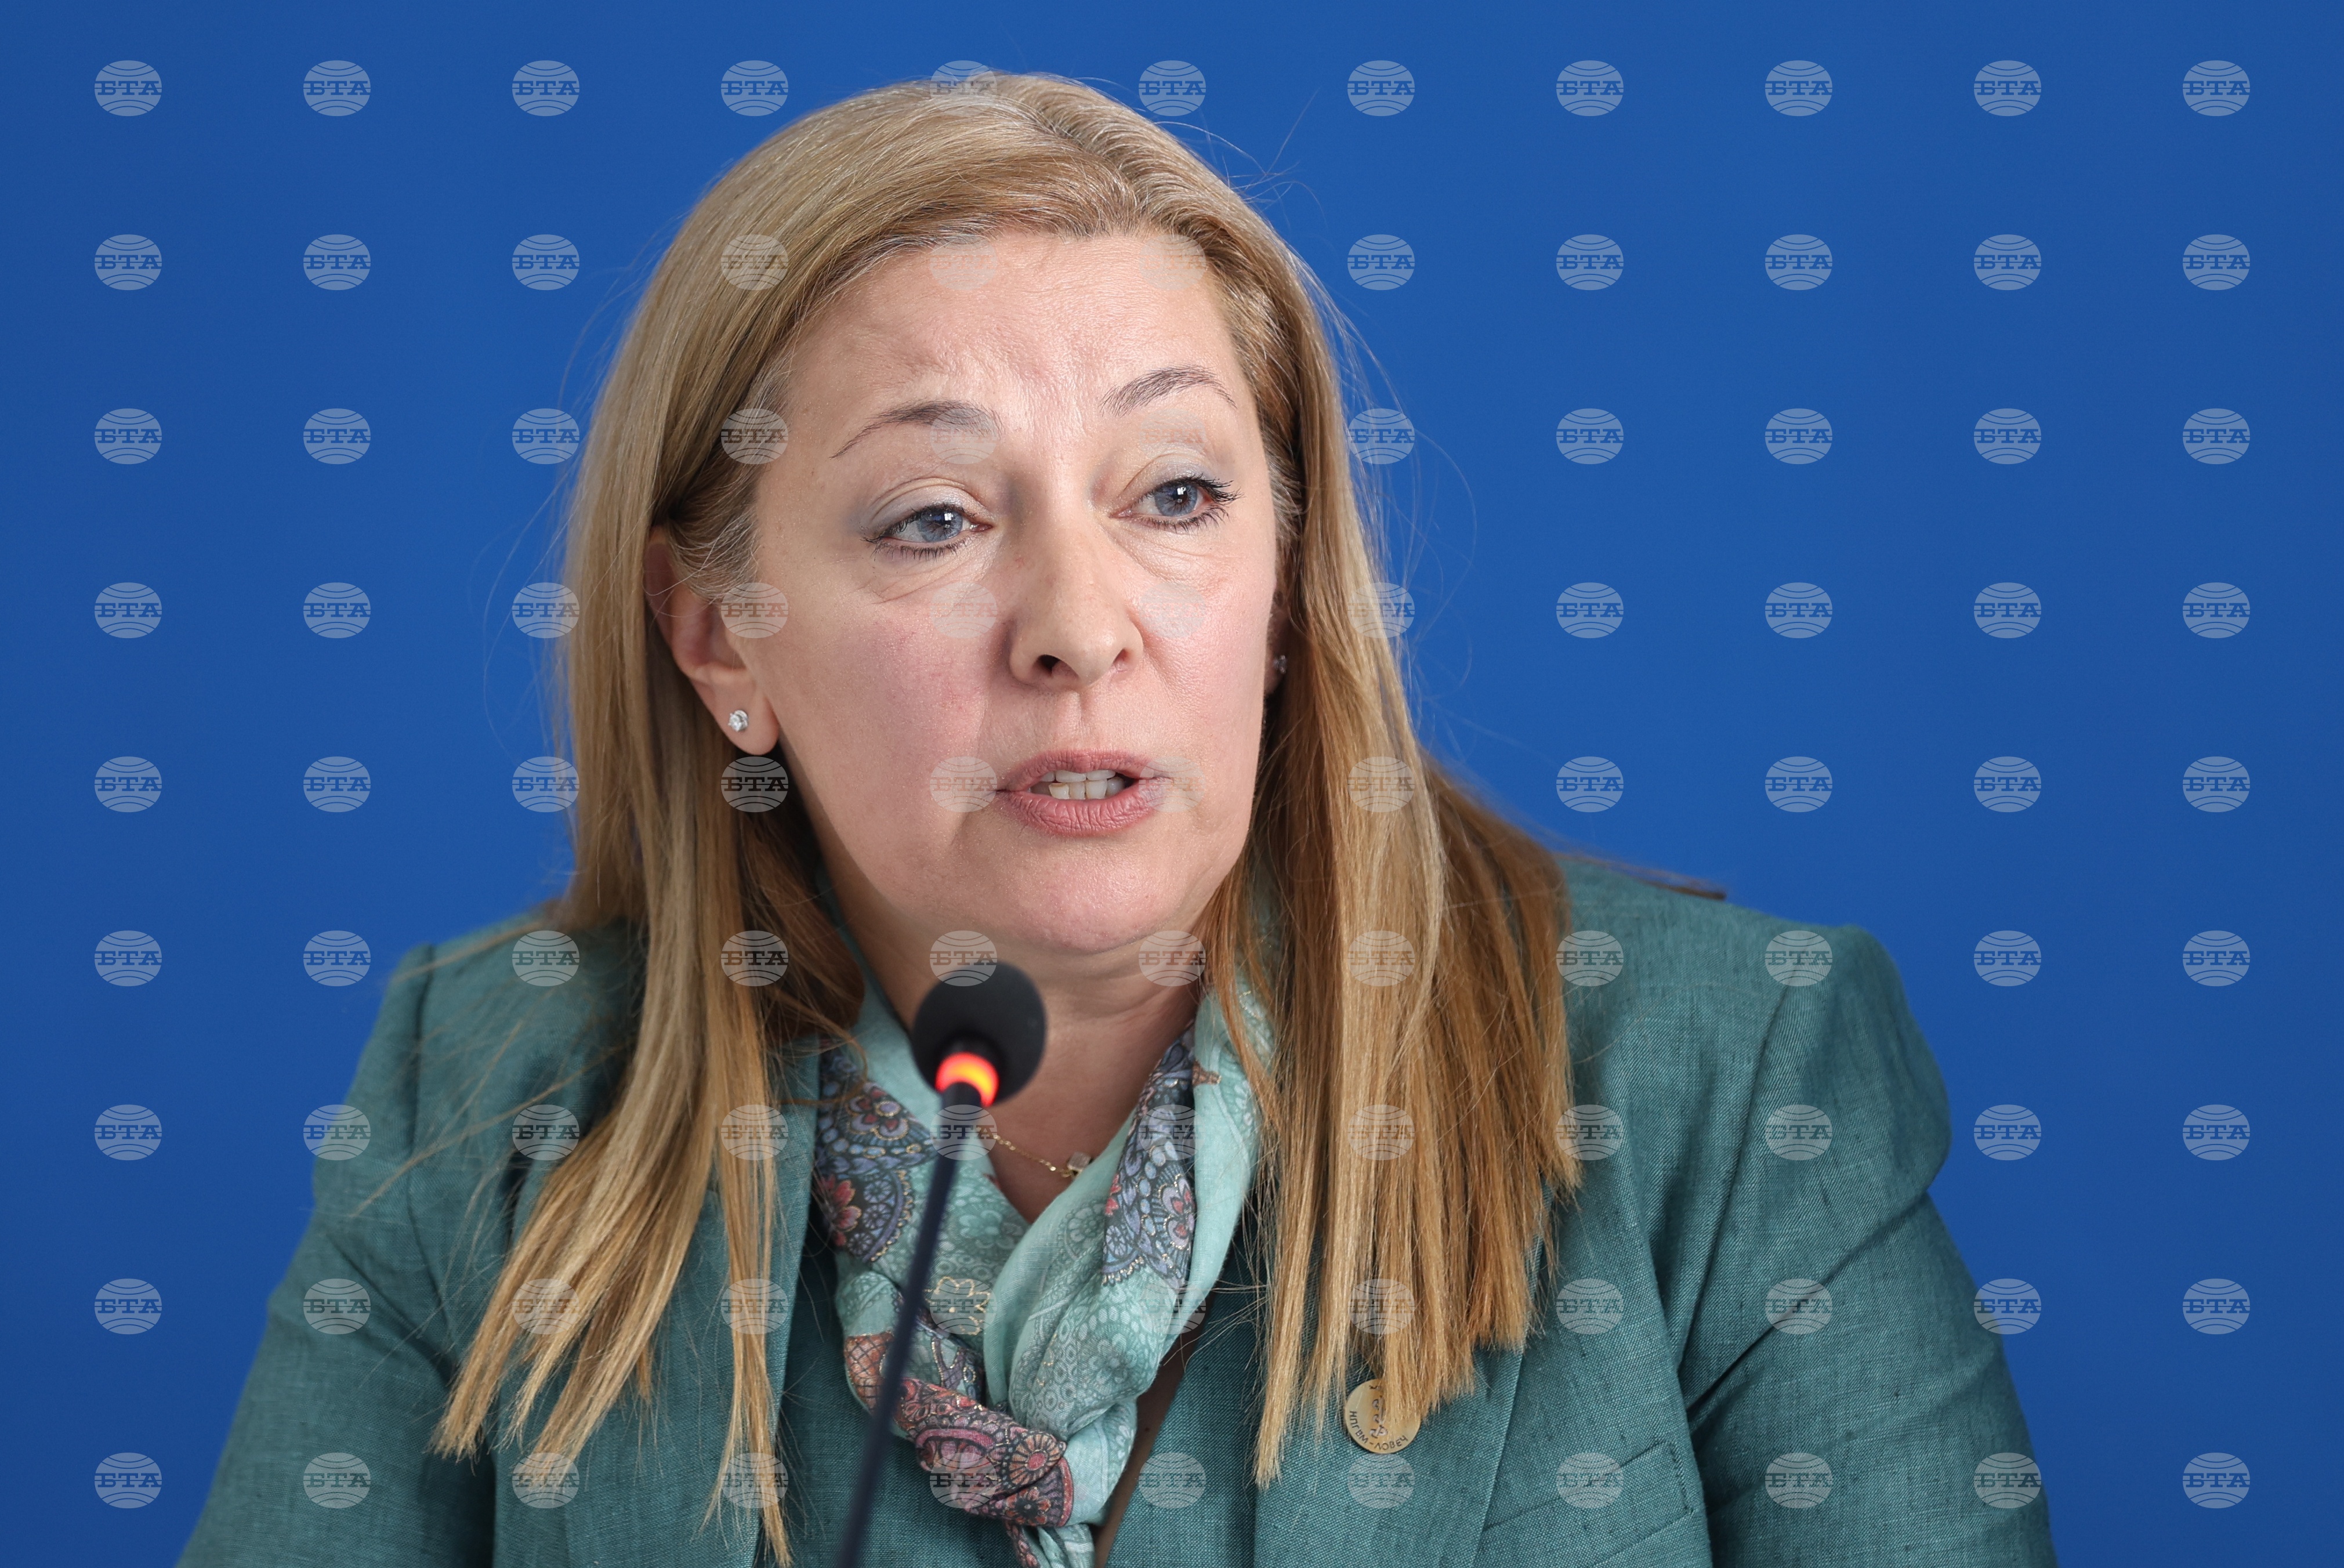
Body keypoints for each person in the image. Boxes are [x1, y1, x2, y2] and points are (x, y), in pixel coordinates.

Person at [180, 74, 2055, 1567]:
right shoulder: (482, 1098)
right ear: (718, 635)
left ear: (1284, 583)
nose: (1079, 629)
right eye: (934, 519)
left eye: (1172, 495)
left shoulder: (1728, 1075)